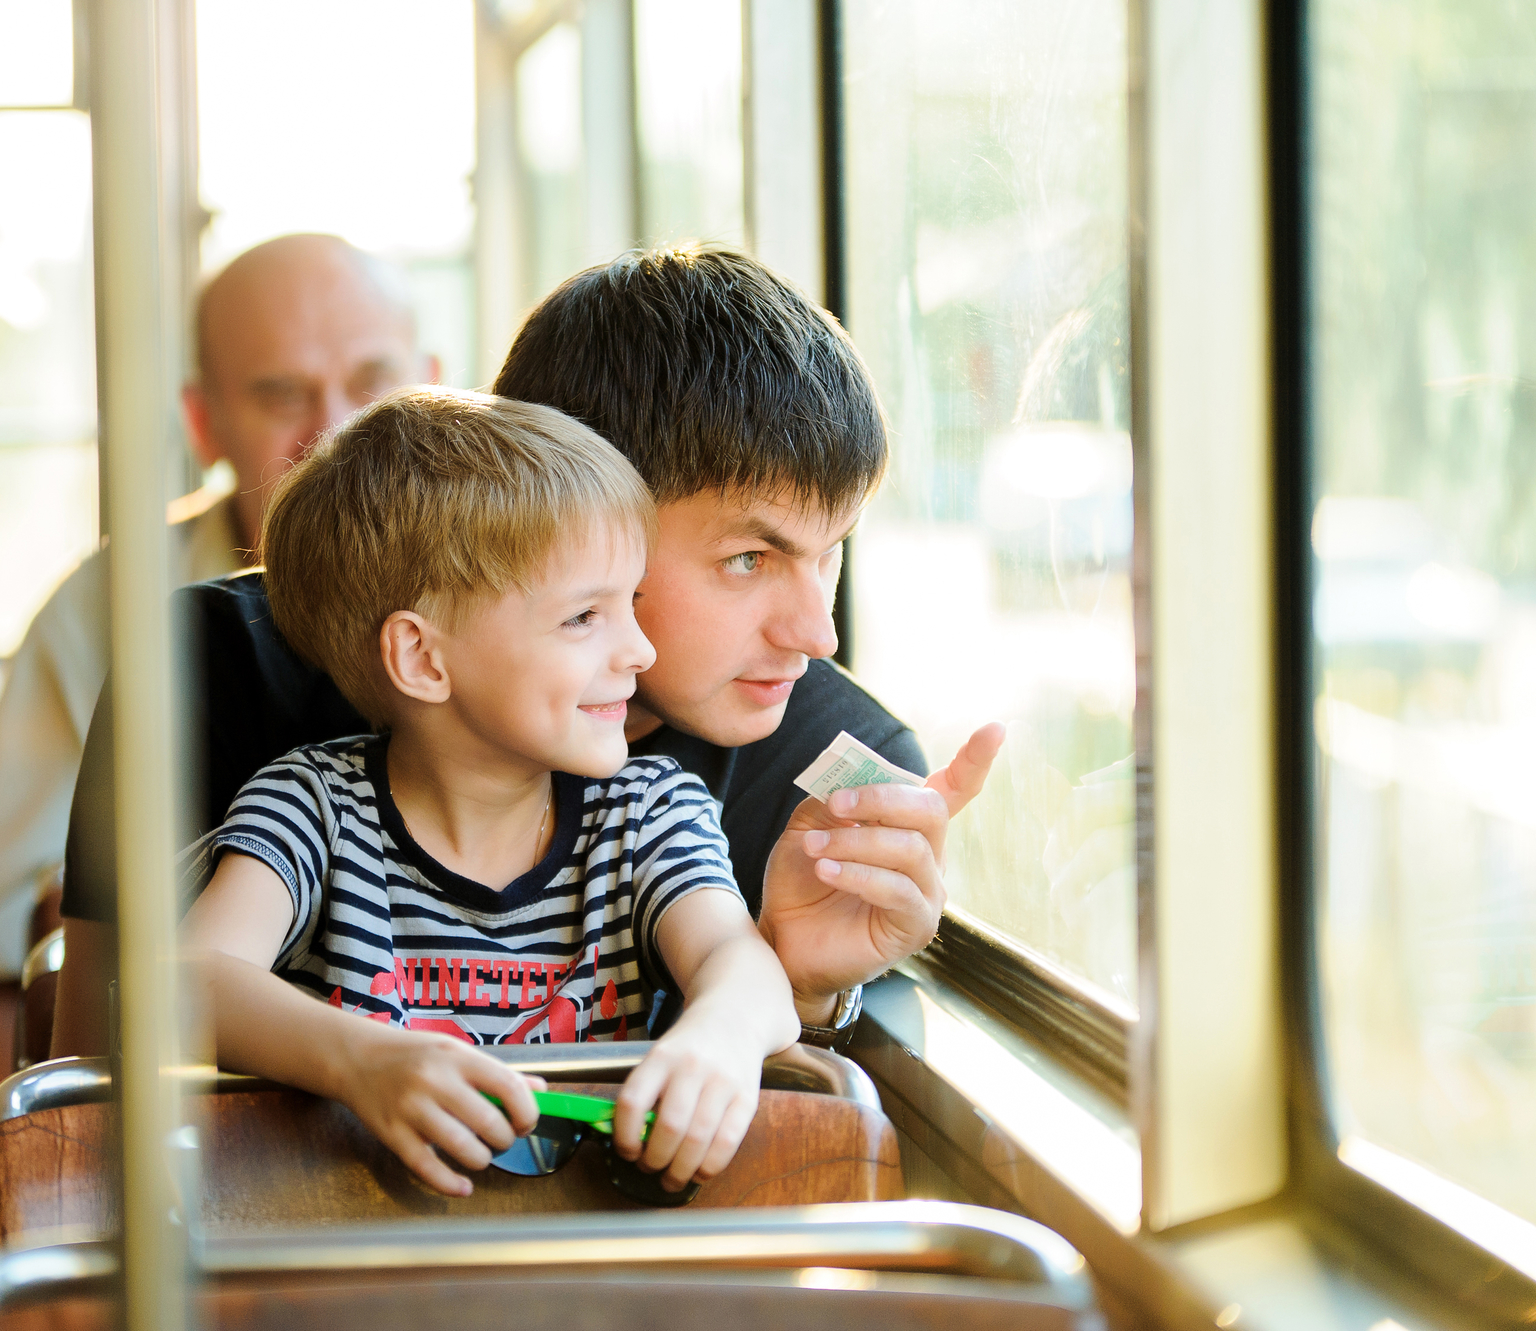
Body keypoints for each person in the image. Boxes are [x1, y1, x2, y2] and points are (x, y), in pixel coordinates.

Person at [52, 245, 1005, 1059]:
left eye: (830, 554)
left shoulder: (835, 777)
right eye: (748, 558)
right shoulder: (212, 668)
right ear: (581, 504)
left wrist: (798, 990)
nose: (815, 633)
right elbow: (91, 1095)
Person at [184, 387, 799, 1196]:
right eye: (585, 616)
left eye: (632, 604)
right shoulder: (314, 809)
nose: (640, 650)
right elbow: (185, 980)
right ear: (424, 660)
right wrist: (360, 1061)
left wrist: (718, 1035)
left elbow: (736, 958)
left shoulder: (646, 813)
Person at [0, 234, 437, 1108]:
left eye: (374, 382)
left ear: (438, 386)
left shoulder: (532, 598)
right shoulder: (109, 611)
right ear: (203, 420)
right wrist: (60, 1180)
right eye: (280, 394)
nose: (336, 428)